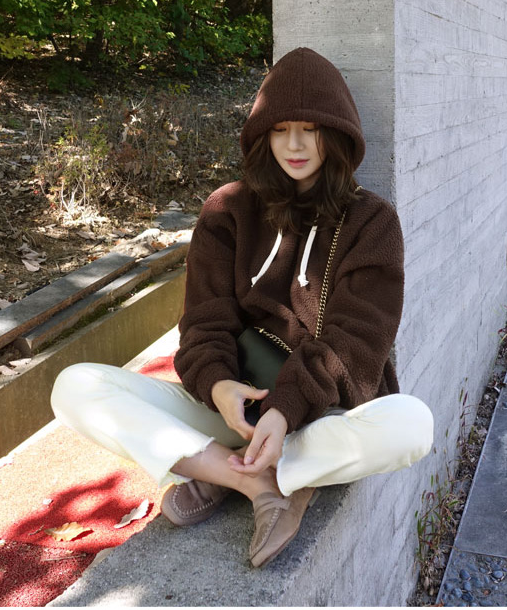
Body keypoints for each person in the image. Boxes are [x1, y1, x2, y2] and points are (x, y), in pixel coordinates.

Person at [51, 47, 433, 569]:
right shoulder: (227, 210)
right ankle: (251, 480)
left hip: (319, 415)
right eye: (280, 130)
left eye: (310, 129)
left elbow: (358, 342)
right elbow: (203, 323)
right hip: (235, 414)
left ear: (337, 133)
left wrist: (286, 408)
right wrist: (217, 387)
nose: (294, 145)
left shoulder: (371, 223)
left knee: (412, 424)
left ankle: (223, 471)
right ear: (261, 136)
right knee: (75, 386)